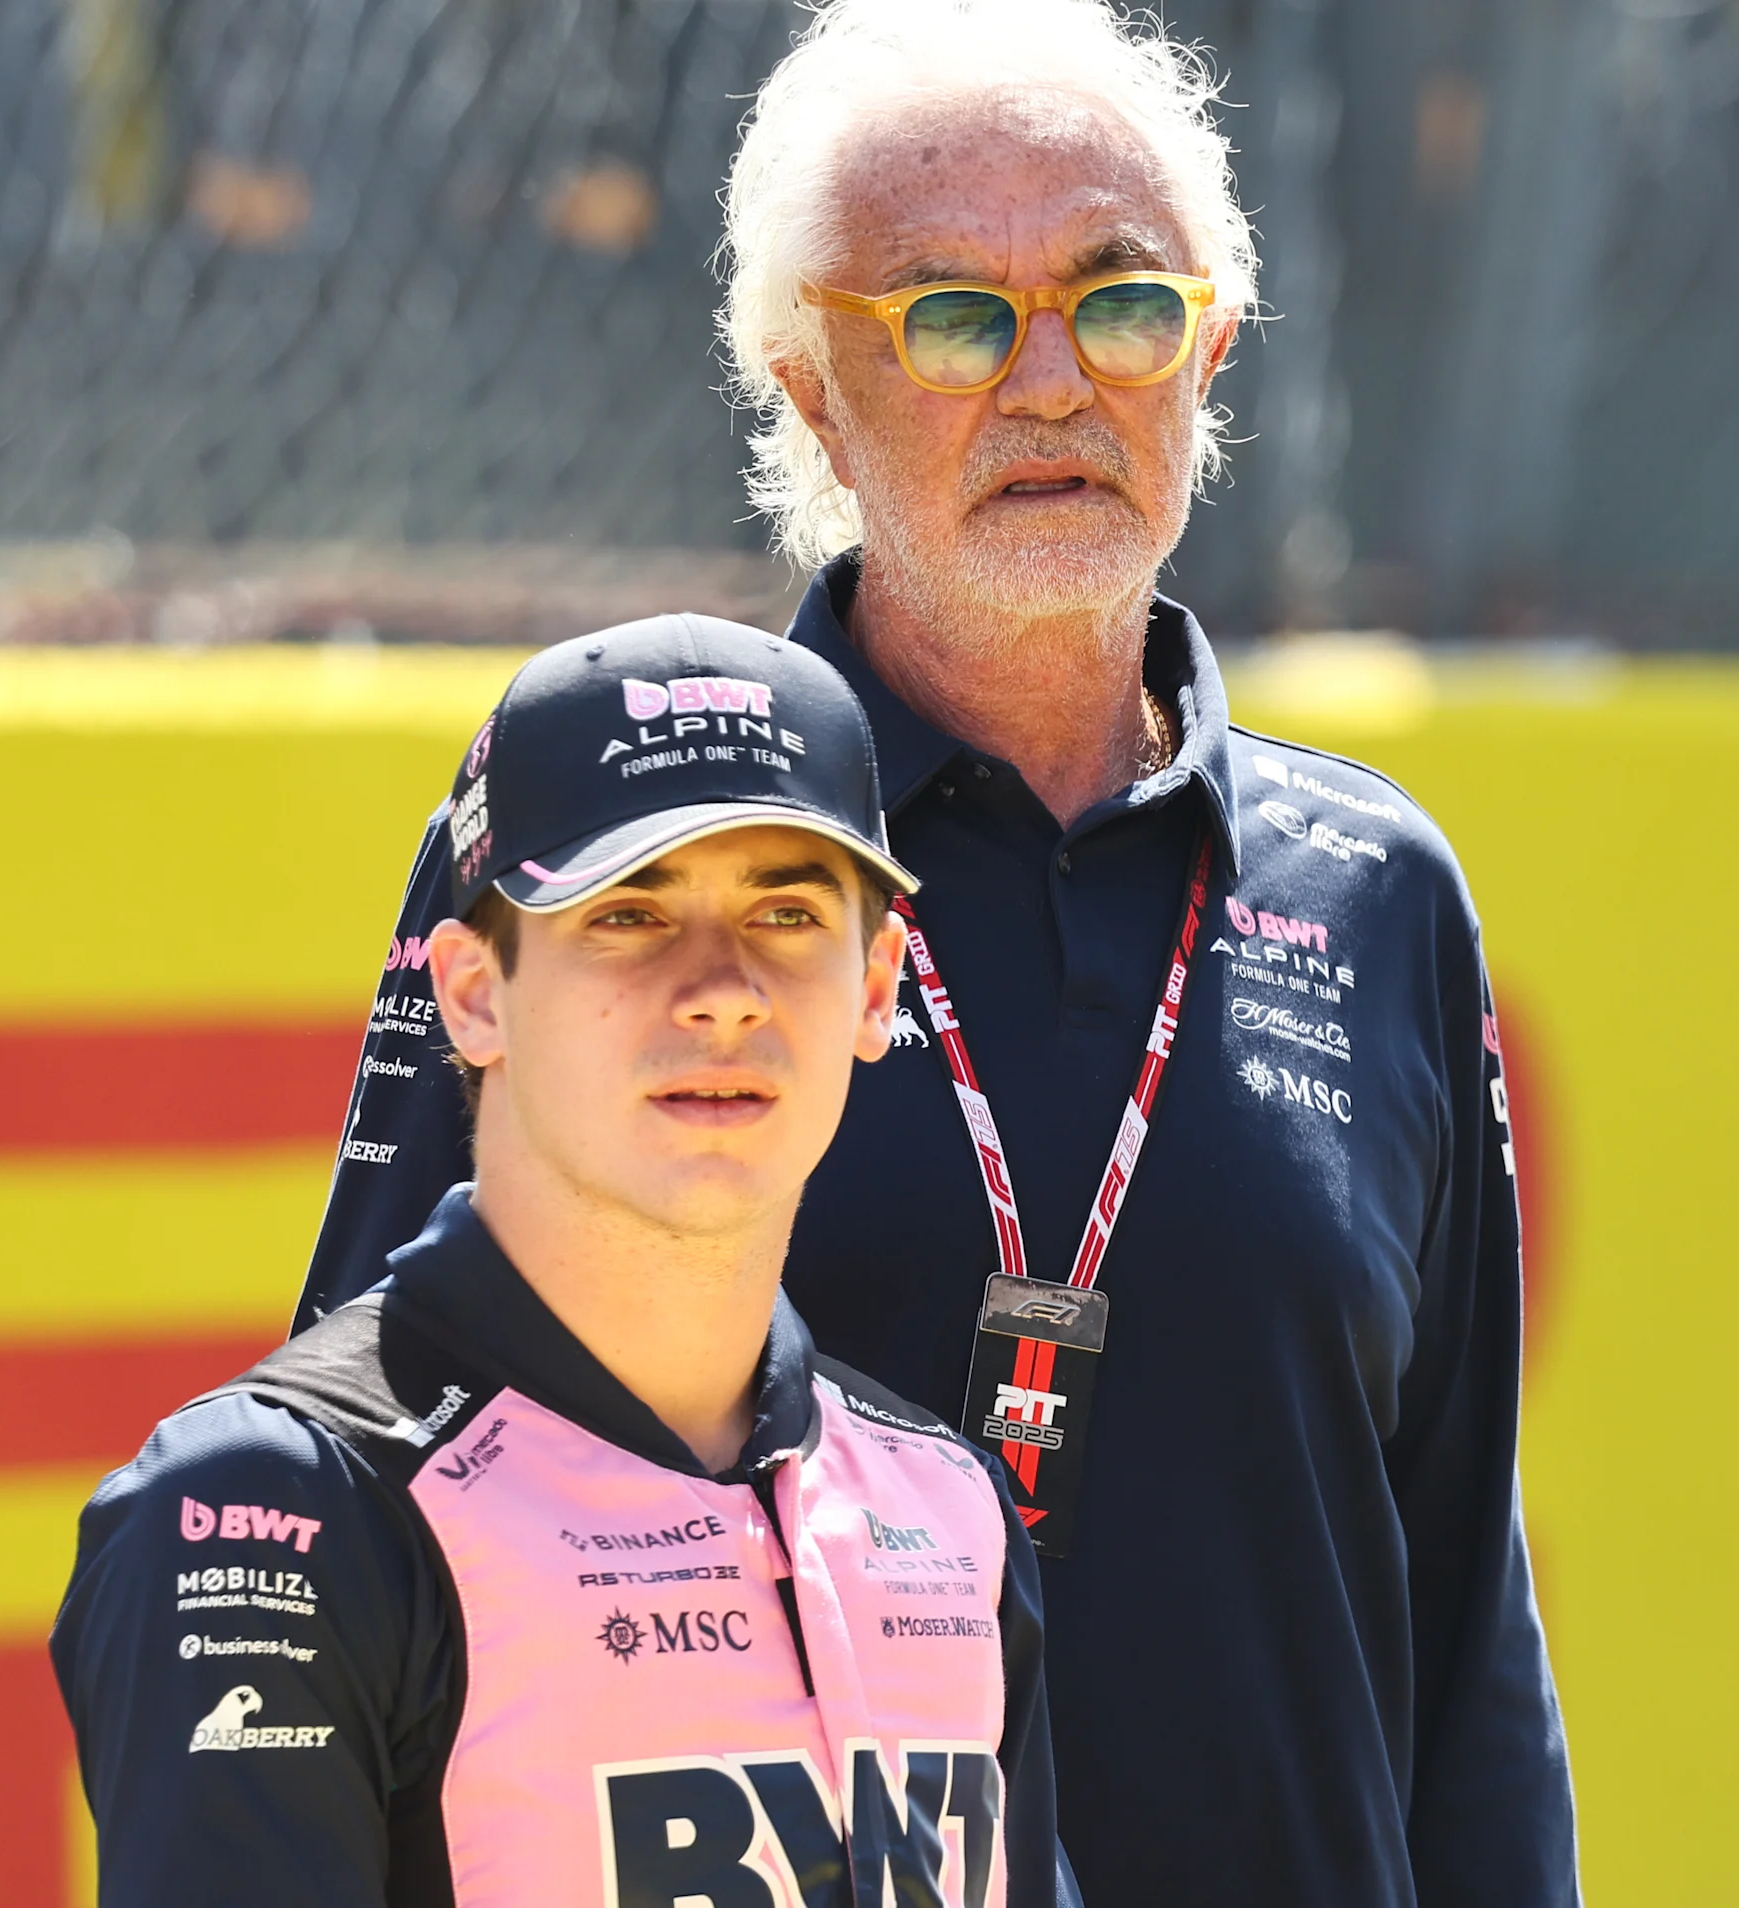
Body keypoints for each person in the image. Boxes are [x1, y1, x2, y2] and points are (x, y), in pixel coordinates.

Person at [291, 3, 1576, 1902]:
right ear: (812, 387)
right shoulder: (608, 845)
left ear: (1209, 350)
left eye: (1121, 303)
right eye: (957, 317)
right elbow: (371, 1500)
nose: (1054, 380)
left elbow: (1464, 1621)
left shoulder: (1380, 890)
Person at [54, 615, 1071, 1906]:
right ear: (475, 994)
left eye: (787, 909)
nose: (723, 991)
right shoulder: (270, 1510)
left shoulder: (950, 1509)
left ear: (876, 990)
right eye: (632, 912)